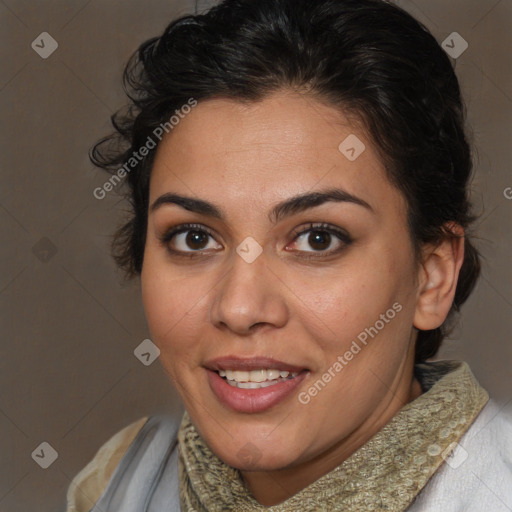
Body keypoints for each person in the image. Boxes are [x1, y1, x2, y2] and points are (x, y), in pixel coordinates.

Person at [66, 0, 512, 510]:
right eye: (194, 238)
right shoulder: (115, 482)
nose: (240, 308)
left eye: (317, 239)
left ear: (432, 277)